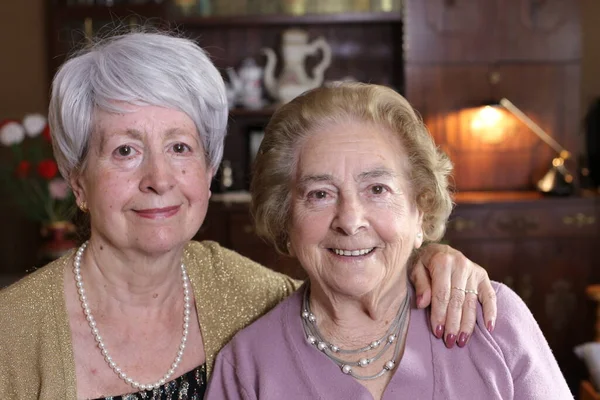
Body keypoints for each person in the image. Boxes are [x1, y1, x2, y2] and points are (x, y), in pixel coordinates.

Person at [0, 31, 497, 400]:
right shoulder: (12, 333)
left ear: (209, 168)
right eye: (126, 150)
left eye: (179, 147)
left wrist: (428, 256)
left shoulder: (255, 298)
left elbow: (354, 281)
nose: (159, 178)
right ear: (78, 180)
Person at [205, 83, 572, 399]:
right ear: (286, 218)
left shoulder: (494, 319)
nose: (349, 220)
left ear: (421, 210)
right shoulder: (247, 366)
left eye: (377, 189)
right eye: (319, 194)